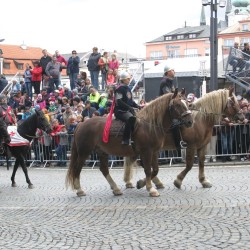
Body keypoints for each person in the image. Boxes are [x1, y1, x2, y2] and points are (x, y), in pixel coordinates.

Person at [114, 71, 140, 145]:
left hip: (128, 110)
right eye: (128, 79)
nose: (129, 80)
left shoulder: (128, 89)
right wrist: (129, 107)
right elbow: (119, 101)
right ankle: (126, 139)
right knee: (130, 118)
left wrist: (137, 106)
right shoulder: (119, 89)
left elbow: (131, 101)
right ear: (123, 80)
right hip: (120, 111)